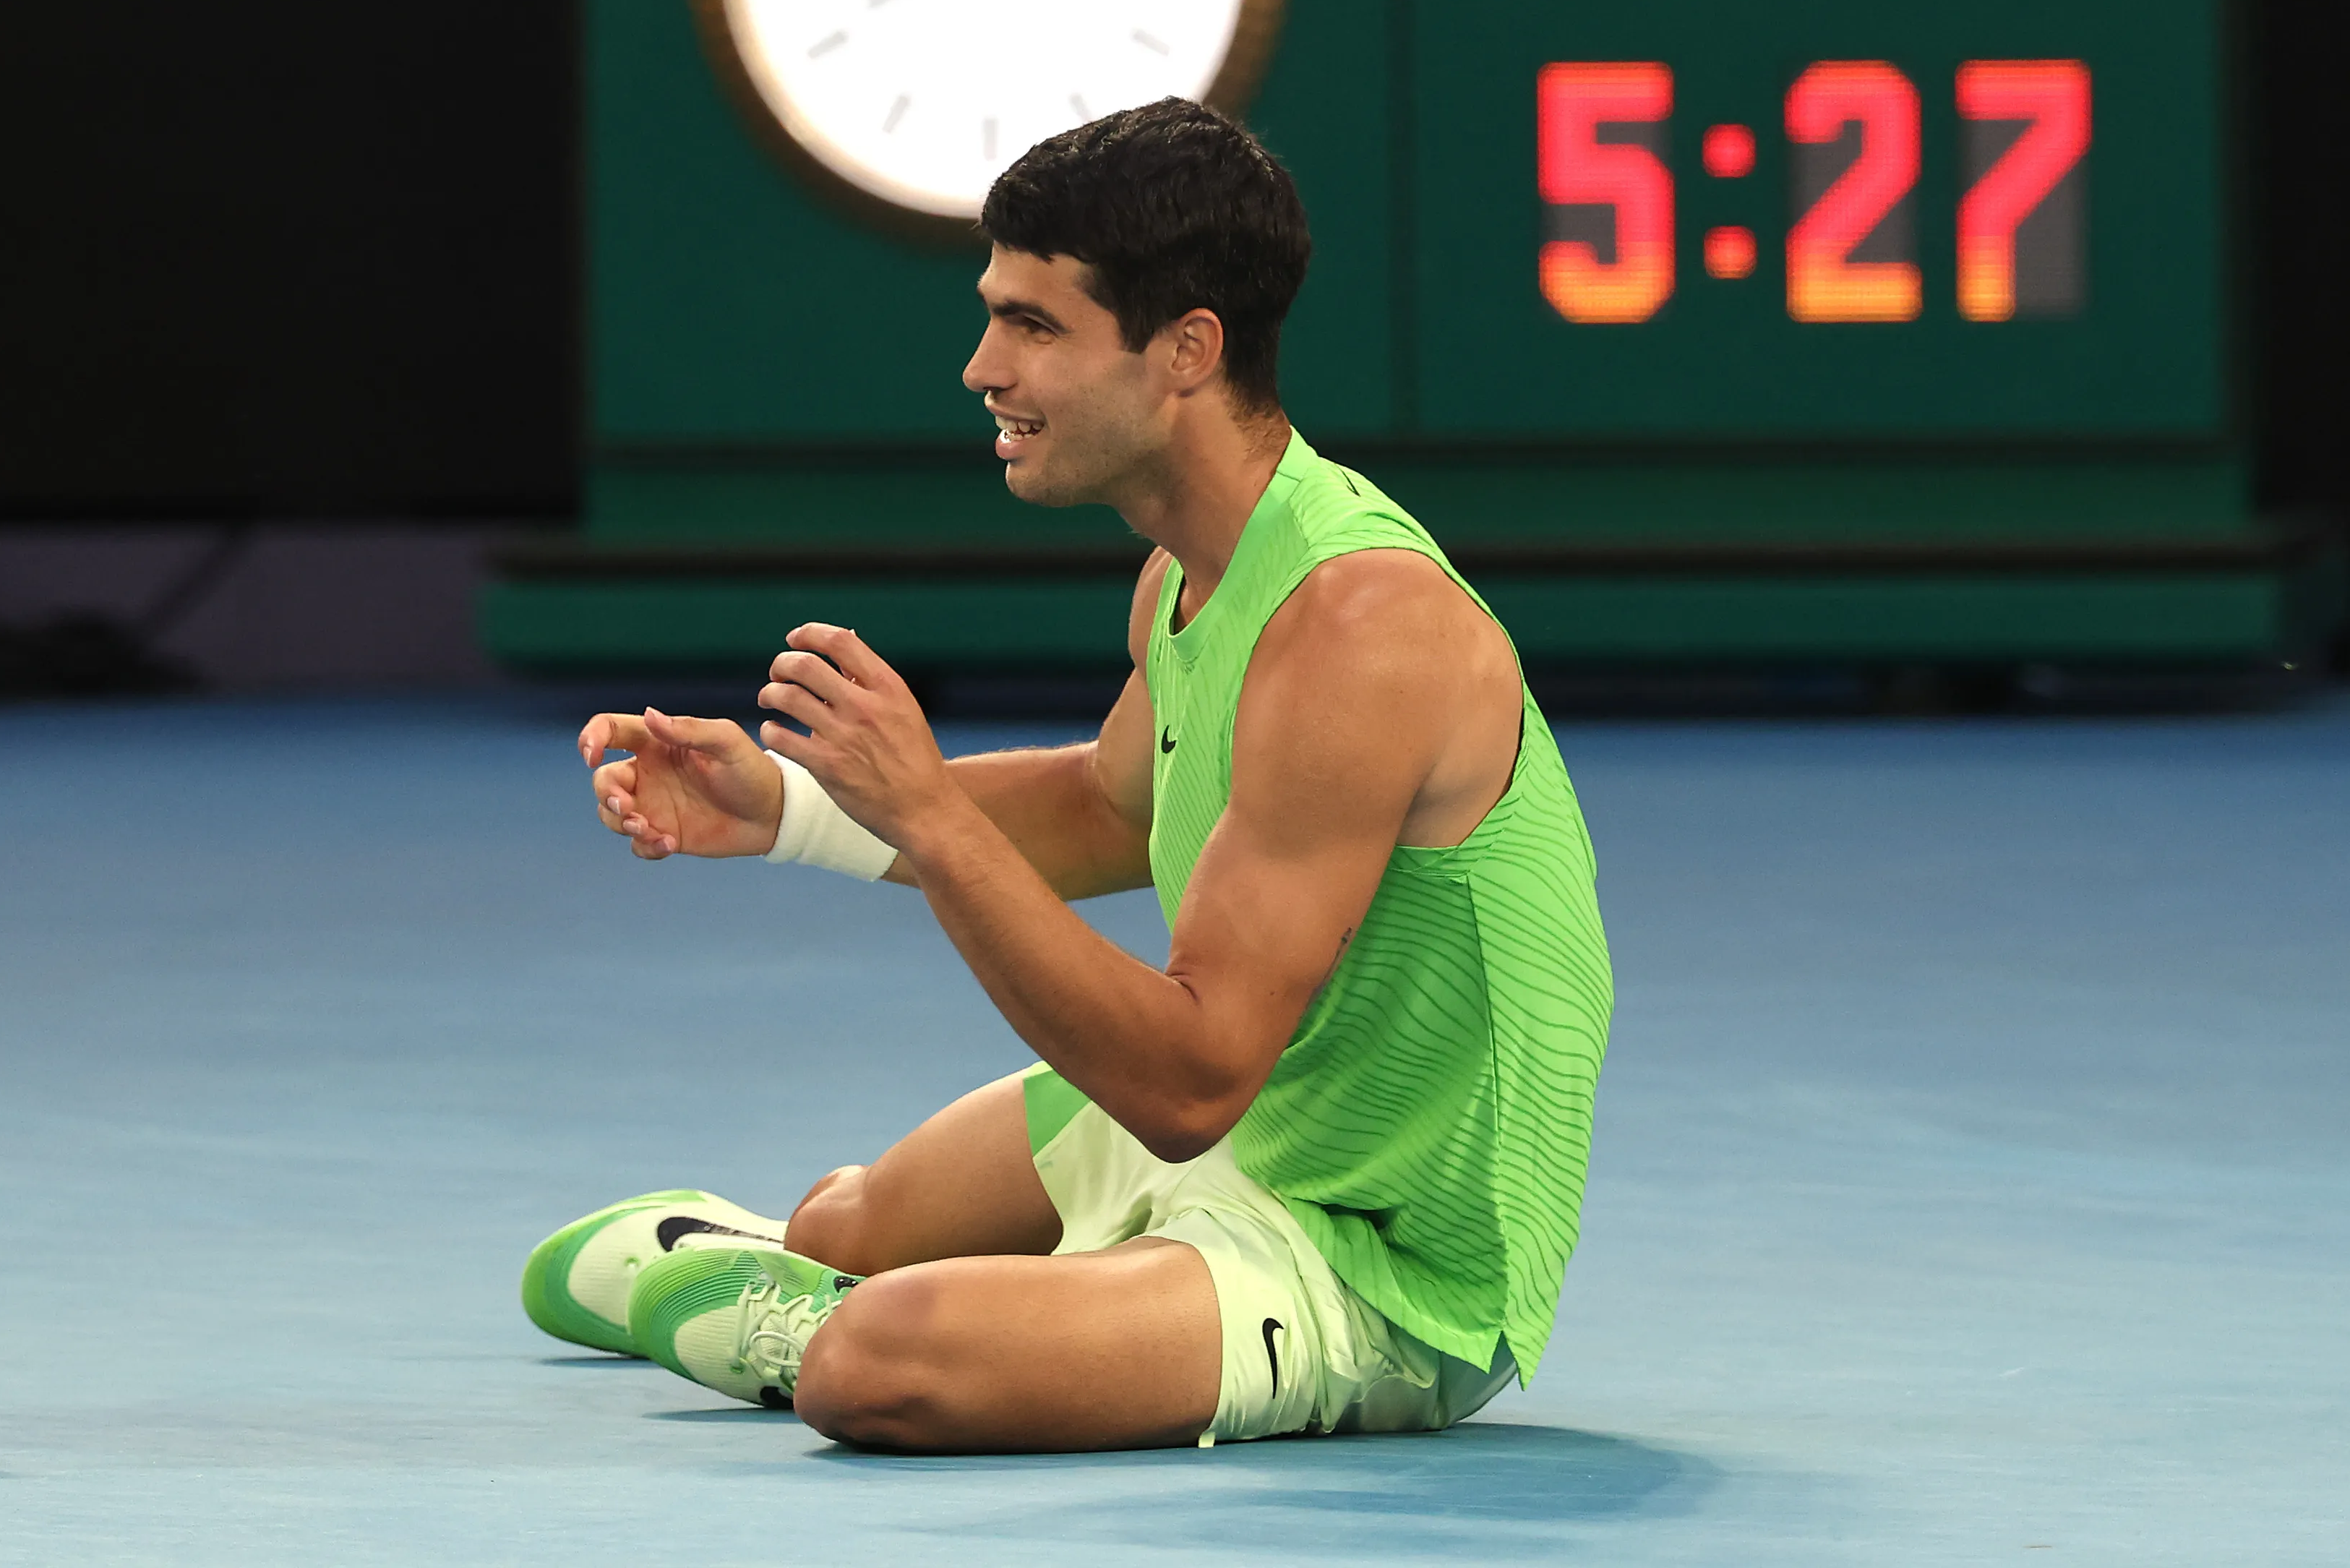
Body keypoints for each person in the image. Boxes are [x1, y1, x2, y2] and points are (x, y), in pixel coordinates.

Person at [521, 100, 1613, 1452]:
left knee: (877, 1363)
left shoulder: (1361, 624)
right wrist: (794, 809)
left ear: (1185, 351)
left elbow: (1190, 1082)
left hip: (1384, 1264)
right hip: (1265, 1129)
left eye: (1034, 325)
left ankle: (842, 1324)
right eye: (994, 316)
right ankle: (840, 1272)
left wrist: (930, 812)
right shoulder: (1187, 572)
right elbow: (1107, 807)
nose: (982, 367)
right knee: (841, 1225)